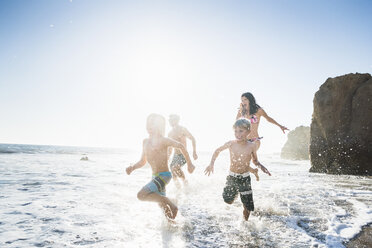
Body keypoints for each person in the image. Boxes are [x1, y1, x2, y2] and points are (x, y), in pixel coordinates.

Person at [126, 113, 195, 220]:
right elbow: (142, 161)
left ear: (159, 126)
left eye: (153, 124)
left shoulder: (163, 140)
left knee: (141, 195)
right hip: (155, 177)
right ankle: (173, 226)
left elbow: (180, 145)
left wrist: (190, 163)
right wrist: (132, 168)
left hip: (164, 176)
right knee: (166, 213)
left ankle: (171, 201)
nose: (149, 126)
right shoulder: (145, 142)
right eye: (148, 123)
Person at [204, 118, 271, 221]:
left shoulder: (252, 146)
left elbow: (255, 161)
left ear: (248, 131)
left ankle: (245, 223)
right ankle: (237, 193)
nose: (238, 134)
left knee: (247, 207)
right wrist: (211, 164)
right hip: (232, 177)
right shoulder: (231, 143)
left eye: (241, 131)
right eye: (235, 131)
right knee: (228, 200)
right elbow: (217, 150)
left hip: (245, 178)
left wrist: (261, 167)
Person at [168, 114, 198, 187]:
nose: (170, 122)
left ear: (177, 120)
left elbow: (193, 139)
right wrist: (167, 157)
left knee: (175, 167)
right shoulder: (170, 133)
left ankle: (185, 183)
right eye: (169, 120)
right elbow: (170, 148)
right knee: (172, 170)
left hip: (183, 154)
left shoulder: (182, 129)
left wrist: (194, 152)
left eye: (172, 120)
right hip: (175, 155)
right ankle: (178, 189)